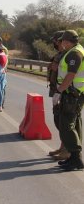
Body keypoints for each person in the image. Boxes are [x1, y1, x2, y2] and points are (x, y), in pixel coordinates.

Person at [55, 30, 84, 171]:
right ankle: (74, 158)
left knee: (66, 125)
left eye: (62, 41)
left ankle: (76, 158)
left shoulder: (74, 53)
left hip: (73, 94)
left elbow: (71, 75)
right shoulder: (76, 50)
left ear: (66, 41)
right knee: (74, 123)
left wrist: (59, 91)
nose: (61, 44)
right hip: (75, 93)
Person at [47, 31, 70, 160]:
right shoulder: (60, 54)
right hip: (56, 89)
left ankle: (67, 149)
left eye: (56, 41)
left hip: (62, 91)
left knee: (63, 121)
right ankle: (63, 146)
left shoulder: (67, 55)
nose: (54, 43)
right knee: (58, 120)